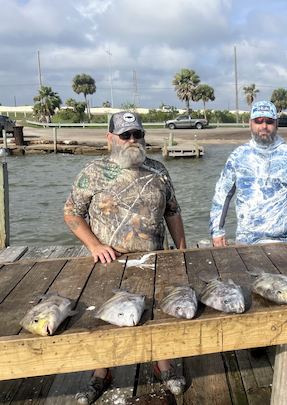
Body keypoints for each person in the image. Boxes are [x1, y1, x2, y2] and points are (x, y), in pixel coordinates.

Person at [64, 111, 187, 404]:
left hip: (154, 258)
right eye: (125, 135)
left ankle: (163, 364)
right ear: (110, 139)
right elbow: (71, 213)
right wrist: (94, 246)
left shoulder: (158, 171)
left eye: (137, 134)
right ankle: (100, 373)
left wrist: (182, 251)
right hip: (108, 263)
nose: (132, 140)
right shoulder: (93, 172)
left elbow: (173, 212)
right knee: (105, 318)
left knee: (157, 312)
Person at [209, 100, 287, 246]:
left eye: (269, 121)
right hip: (246, 240)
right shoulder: (238, 156)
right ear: (250, 123)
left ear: (276, 124)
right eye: (258, 121)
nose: (263, 126)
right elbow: (222, 195)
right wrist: (217, 231)